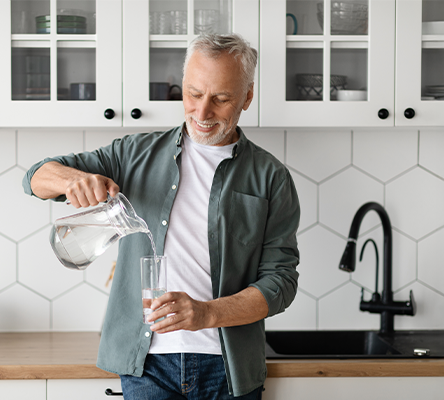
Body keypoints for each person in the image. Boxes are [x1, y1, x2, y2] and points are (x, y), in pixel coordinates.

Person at [23, 33, 300, 399]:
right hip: (147, 367)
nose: (202, 113)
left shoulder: (270, 177)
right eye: (194, 94)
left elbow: (280, 282)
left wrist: (207, 314)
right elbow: (35, 178)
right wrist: (75, 179)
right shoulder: (133, 154)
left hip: (229, 369)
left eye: (221, 98)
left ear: (247, 97)